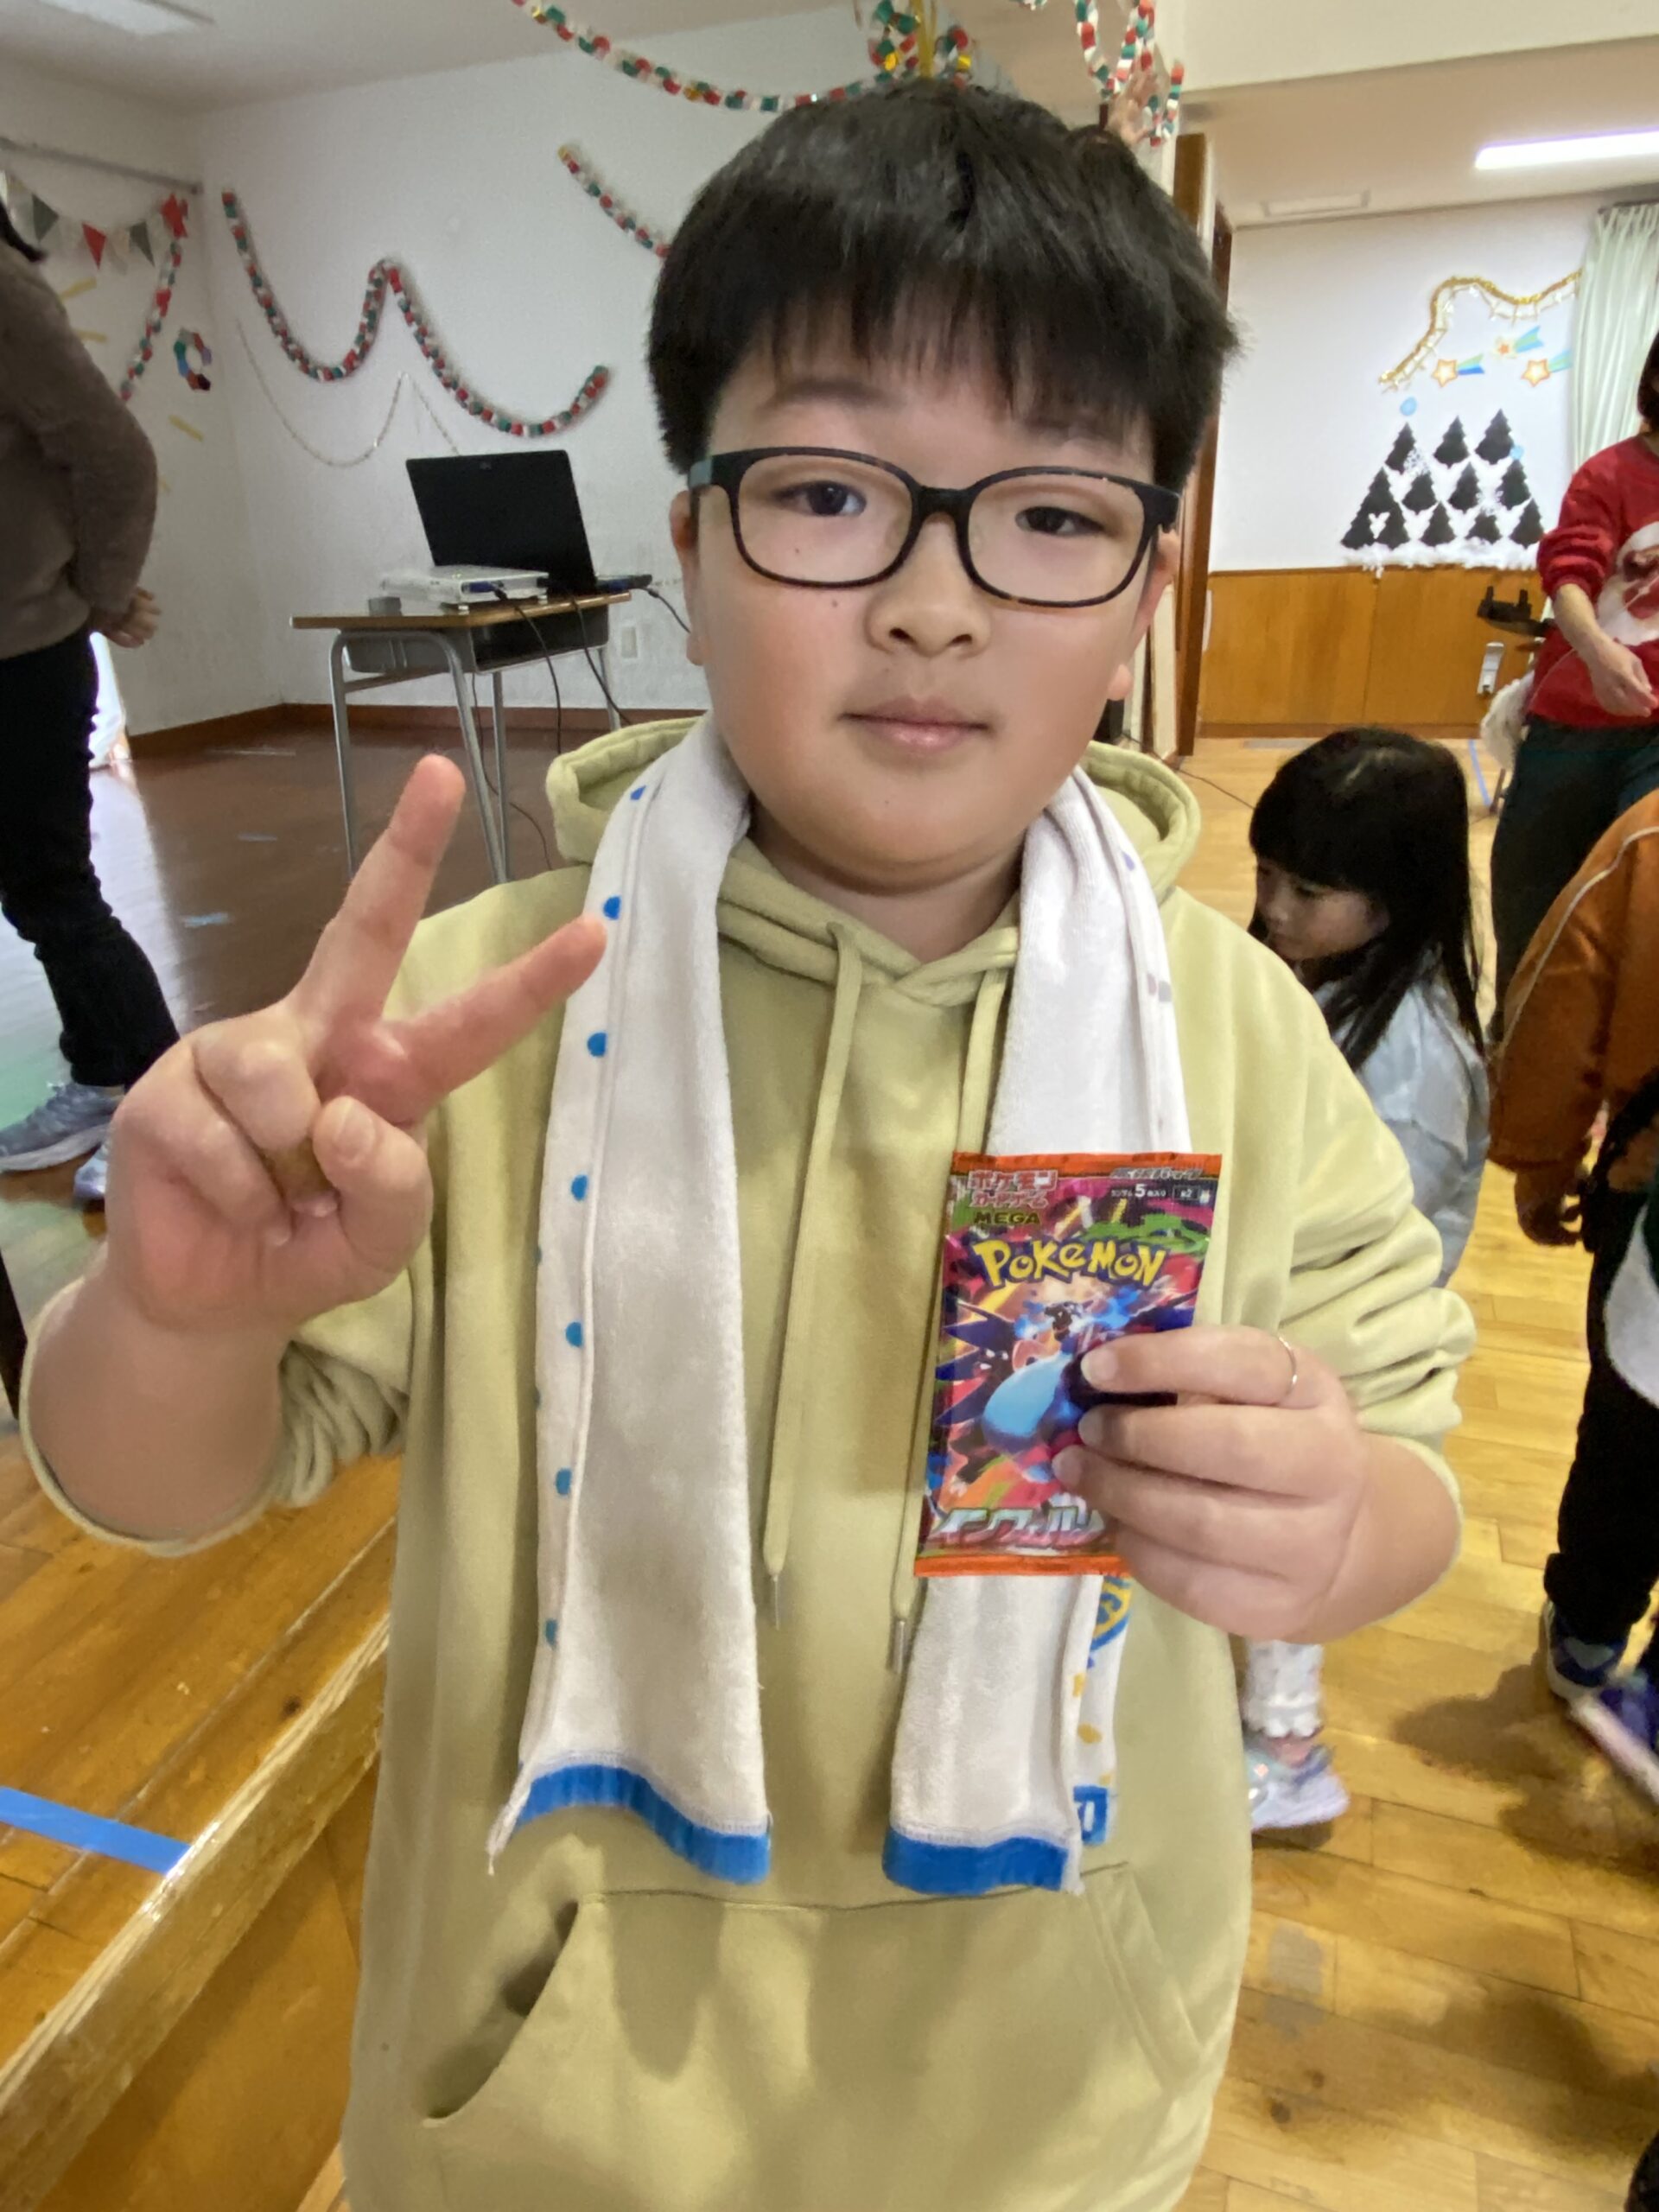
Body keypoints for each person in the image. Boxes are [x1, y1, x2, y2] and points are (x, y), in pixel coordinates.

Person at [20, 86, 1471, 2212]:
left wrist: (1335, 1527)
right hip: (549, 2113)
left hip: (1052, 2101)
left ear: (1145, 586)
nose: (935, 603)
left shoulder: (1230, 1030)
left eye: (1049, 515)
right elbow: (149, 1488)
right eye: (828, 492)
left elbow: (1408, 1452)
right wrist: (170, 1314)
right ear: (690, 547)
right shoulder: (474, 1021)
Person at [1243, 728, 1489, 1829]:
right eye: (1266, 874)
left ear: (1393, 904)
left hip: (1334, 1342)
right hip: (1278, 1311)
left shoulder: (1412, 1063)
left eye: (1307, 890)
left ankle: (1287, 1748)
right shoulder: (1315, 982)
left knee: (1285, 1550)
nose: (1273, 907)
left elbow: (1376, 1242)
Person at [0, 196, 178, 1209]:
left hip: (22, 654)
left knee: (56, 891)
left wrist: (100, 592)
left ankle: (168, 1103)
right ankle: (104, 1076)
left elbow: (116, 454)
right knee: (34, 892)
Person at [1490, 789, 1659, 1798]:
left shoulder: (1648, 836)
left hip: (1650, 1209)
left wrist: (1542, 1158)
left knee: (1628, 1436)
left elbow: (1565, 992)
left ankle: (1589, 1628)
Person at [1489, 327, 1659, 1010]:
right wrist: (1596, 650)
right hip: (1575, 723)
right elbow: (1568, 573)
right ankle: (1515, 1035)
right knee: (1531, 897)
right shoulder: (1610, 474)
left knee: (1638, 902)